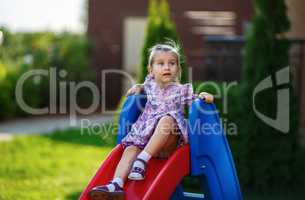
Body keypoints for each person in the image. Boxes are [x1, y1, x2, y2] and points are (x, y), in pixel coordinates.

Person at [89, 43, 214, 200]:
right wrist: (138, 87)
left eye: (172, 63)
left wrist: (203, 97)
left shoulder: (182, 90)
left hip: (169, 142)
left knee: (167, 119)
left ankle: (142, 160)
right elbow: (143, 85)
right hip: (145, 139)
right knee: (130, 149)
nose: (167, 67)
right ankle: (116, 184)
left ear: (178, 69)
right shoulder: (149, 85)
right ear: (151, 70)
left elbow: (194, 100)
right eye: (161, 64)